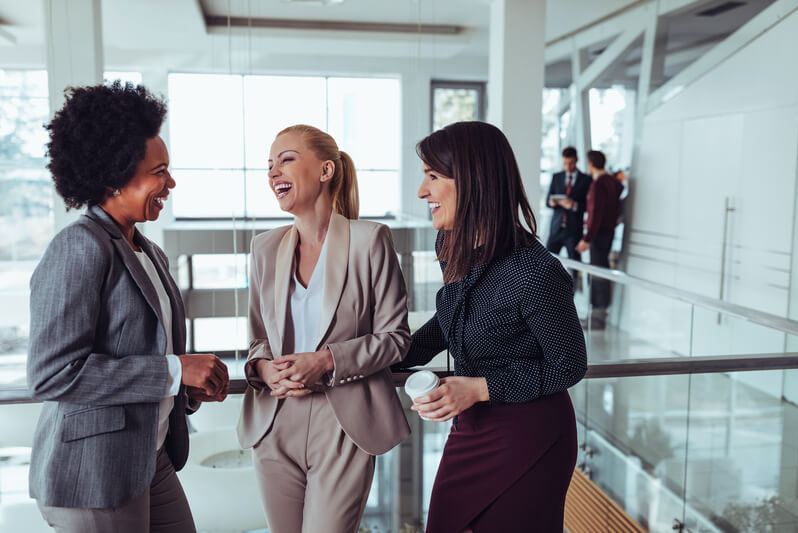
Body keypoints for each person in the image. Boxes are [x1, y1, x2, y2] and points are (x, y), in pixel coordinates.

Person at [27, 81, 230, 533]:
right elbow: (52, 374)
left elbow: (144, 351)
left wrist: (186, 389)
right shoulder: (79, 247)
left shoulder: (146, 250)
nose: (170, 183)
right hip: (94, 472)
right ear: (114, 177)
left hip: (148, 457)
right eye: (159, 171)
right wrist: (175, 371)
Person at [396, 121, 588, 533]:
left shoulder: (534, 271)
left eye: (432, 176)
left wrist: (479, 387)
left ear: (472, 180)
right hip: (474, 426)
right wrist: (388, 356)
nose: (421, 191)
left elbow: (569, 365)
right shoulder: (451, 245)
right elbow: (453, 320)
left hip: (531, 435)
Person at [237, 124, 411, 533]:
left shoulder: (371, 241)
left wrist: (328, 360)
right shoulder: (264, 247)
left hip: (344, 420)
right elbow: (257, 338)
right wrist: (263, 369)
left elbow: (396, 339)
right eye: (269, 164)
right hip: (274, 419)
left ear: (326, 170)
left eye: (287, 159)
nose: (273, 171)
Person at [576, 150, 624, 329]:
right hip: (608, 233)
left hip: (598, 235)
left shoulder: (598, 184)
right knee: (602, 270)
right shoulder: (614, 182)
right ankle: (599, 314)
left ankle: (597, 317)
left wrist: (587, 239)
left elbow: (596, 214)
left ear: (590, 164)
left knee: (598, 273)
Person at [545, 146, 592, 286]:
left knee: (574, 266)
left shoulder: (586, 180)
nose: (568, 166)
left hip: (573, 230)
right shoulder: (556, 177)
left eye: (571, 163)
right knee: (547, 261)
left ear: (576, 160)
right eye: (565, 163)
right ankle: (548, 288)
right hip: (556, 228)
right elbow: (548, 200)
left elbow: (589, 206)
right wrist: (551, 202)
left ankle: (572, 295)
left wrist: (574, 205)